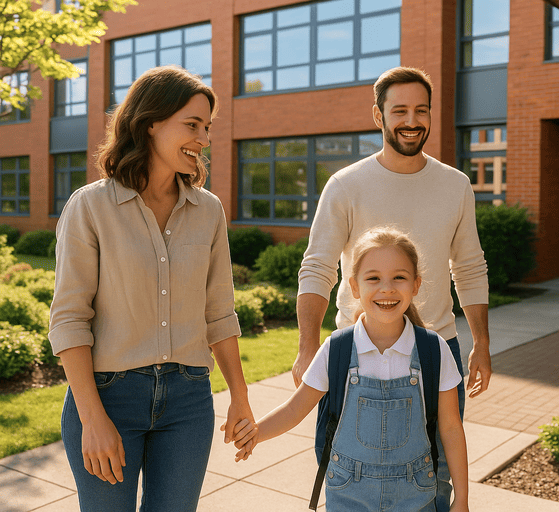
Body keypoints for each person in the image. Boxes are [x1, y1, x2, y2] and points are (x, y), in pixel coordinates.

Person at [49, 65, 254, 511]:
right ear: (150, 123)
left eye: (207, 127)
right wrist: (92, 417)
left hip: (188, 400)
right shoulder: (91, 207)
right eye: (192, 125)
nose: (203, 138)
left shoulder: (208, 210)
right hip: (108, 397)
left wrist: (240, 397)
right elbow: (68, 319)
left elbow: (219, 311)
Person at [293, 66, 490, 510]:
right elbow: (317, 268)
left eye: (421, 110)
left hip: (437, 351)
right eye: (399, 110)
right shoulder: (346, 185)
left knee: (436, 480)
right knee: (350, 478)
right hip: (356, 358)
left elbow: (470, 268)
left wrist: (482, 342)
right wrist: (308, 347)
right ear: (379, 116)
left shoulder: (456, 185)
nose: (411, 120)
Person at [236, 227, 469, 511]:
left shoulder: (434, 351)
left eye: (400, 277)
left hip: (416, 496)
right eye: (373, 278)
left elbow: (451, 429)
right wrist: (256, 432)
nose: (387, 288)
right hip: (349, 496)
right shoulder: (337, 350)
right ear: (355, 286)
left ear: (416, 285)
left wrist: (462, 500)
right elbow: (294, 409)